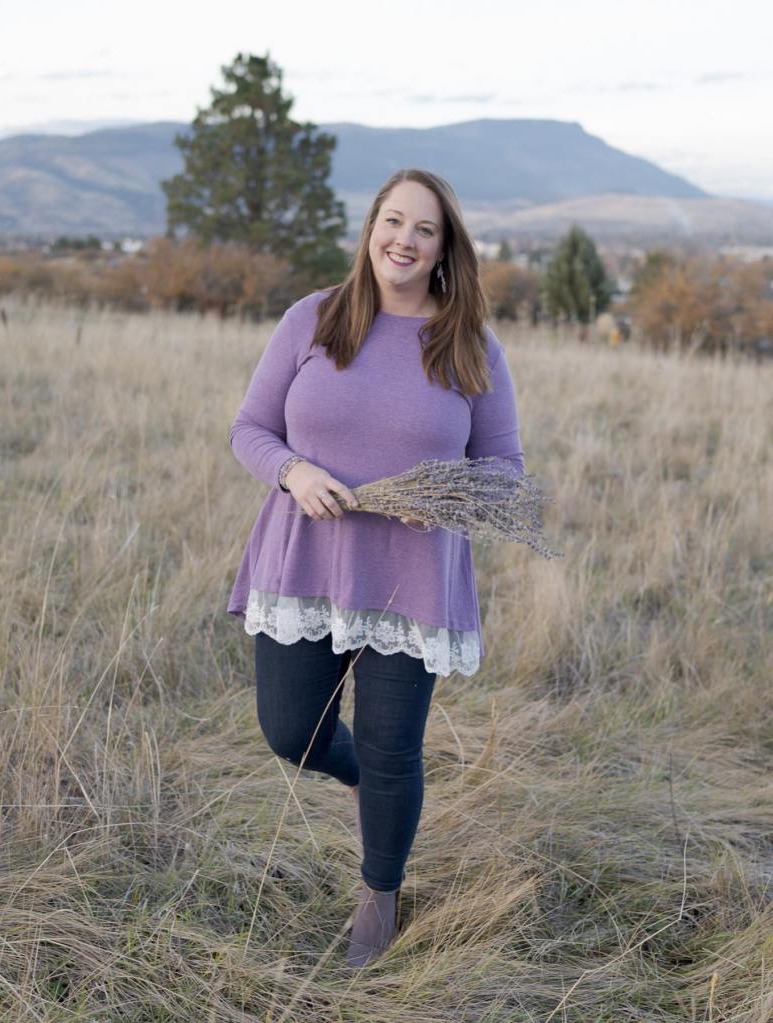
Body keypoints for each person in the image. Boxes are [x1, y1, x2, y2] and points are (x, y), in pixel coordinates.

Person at [227, 168, 525, 968]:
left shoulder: (467, 342)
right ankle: (364, 784)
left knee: (396, 750)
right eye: (392, 221)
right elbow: (250, 427)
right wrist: (292, 472)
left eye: (423, 228)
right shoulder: (313, 319)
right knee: (291, 731)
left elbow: (504, 467)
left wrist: (447, 498)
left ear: (443, 248)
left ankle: (379, 890)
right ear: (370, 230)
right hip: (305, 562)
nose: (403, 238)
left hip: (410, 577)